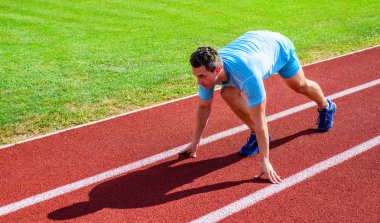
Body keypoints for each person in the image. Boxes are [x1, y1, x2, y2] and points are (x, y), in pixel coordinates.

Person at [185, 30, 336, 184]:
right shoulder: (207, 71)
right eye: (196, 75)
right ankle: (255, 136)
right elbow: (204, 107)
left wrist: (265, 160)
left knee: (300, 86)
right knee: (228, 93)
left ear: (217, 70)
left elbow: (261, 120)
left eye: (201, 76)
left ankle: (326, 106)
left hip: (278, 48)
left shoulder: (249, 77)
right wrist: (195, 141)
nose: (198, 81)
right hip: (254, 45)